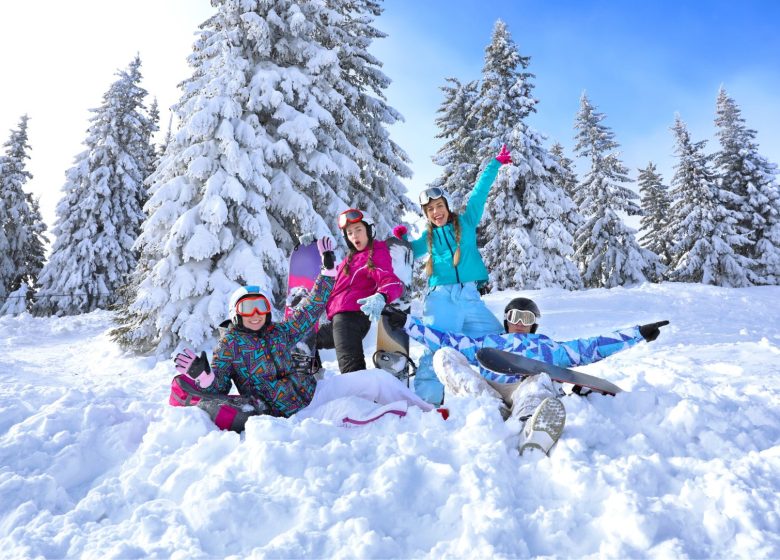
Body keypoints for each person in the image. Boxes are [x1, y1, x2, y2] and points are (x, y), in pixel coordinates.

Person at [170, 236, 433, 430]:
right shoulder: (230, 347)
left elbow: (310, 310)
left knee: (377, 379)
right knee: (351, 411)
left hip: (315, 391)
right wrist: (204, 377)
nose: (255, 314)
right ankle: (401, 422)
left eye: (260, 306)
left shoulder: (279, 332)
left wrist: (328, 273)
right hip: (292, 415)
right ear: (235, 313)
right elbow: (219, 388)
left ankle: (430, 413)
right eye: (247, 309)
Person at [380, 297, 670, 453]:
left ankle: (529, 424)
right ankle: (489, 411)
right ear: (506, 320)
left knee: (541, 379)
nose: (519, 323)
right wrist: (407, 322)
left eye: (526, 318)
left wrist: (638, 334)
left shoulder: (549, 347)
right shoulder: (488, 342)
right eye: (514, 317)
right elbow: (445, 340)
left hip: (525, 388)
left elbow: (591, 346)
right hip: (489, 388)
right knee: (444, 355)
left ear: (534, 324)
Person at [392, 144, 513, 405]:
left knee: (496, 343)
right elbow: (411, 252)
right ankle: (428, 403)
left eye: (438, 205)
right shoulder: (429, 237)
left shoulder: (467, 222)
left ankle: (506, 391)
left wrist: (495, 164)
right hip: (441, 298)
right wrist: (401, 241)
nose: (436, 212)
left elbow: (479, 193)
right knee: (436, 347)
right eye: (430, 210)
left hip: (469, 297)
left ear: (446, 205)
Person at [315, 208, 405, 373]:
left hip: (353, 319)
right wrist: (325, 266)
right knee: (306, 339)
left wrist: (381, 296)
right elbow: (335, 290)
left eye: (358, 230)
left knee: (351, 372)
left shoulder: (376, 253)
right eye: (349, 233)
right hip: (337, 320)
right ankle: (313, 378)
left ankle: (359, 396)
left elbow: (392, 282)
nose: (354, 235)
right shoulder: (348, 261)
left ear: (369, 230)